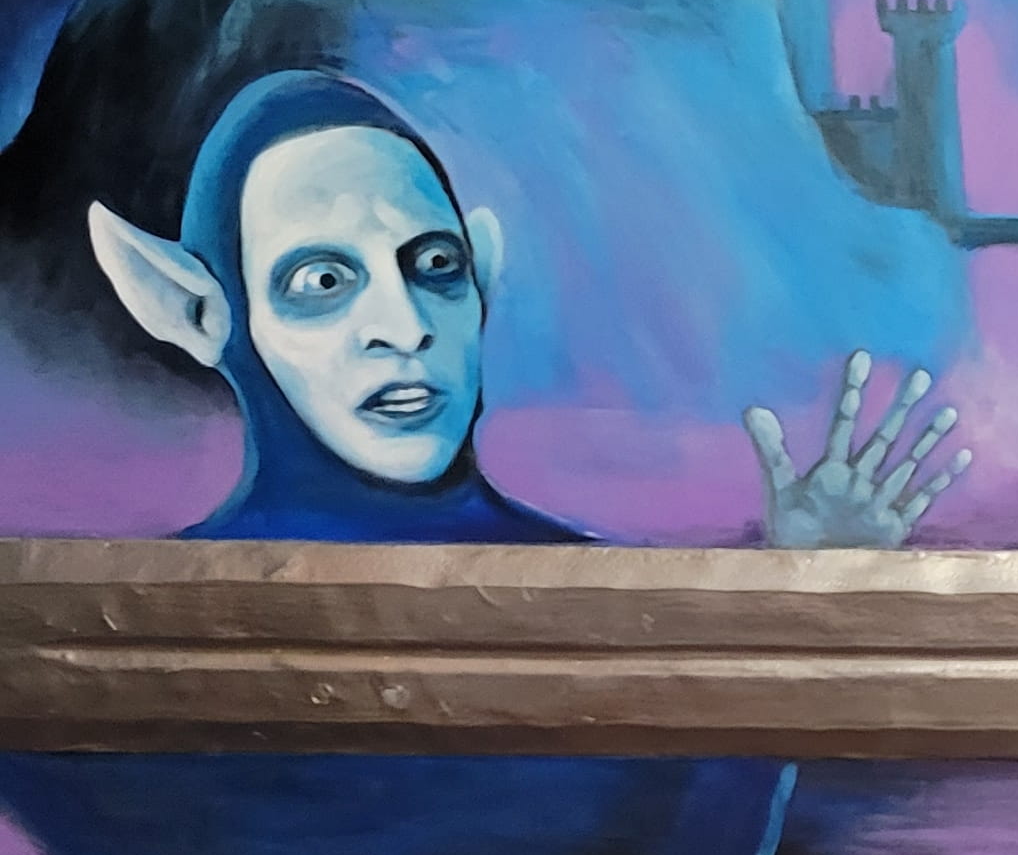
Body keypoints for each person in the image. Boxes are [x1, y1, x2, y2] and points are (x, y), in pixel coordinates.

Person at [83, 68, 967, 543]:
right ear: (198, 313)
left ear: (483, 285)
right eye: (323, 283)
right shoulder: (126, 647)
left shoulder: (606, 615)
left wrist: (808, 593)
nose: (405, 327)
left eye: (436, 266)